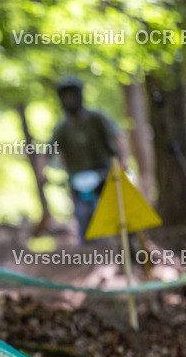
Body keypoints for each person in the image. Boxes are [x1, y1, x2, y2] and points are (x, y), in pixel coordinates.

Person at [49, 78, 127, 243]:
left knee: (111, 210)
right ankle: (86, 247)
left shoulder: (96, 119)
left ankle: (117, 242)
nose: (69, 100)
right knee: (82, 213)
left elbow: (117, 137)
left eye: (72, 95)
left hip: (104, 173)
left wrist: (123, 161)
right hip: (77, 178)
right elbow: (51, 152)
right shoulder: (62, 129)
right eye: (66, 96)